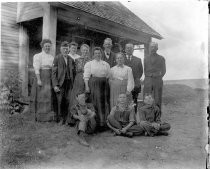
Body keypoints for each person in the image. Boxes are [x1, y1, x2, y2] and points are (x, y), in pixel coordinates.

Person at [84, 47, 110, 129]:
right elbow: (86, 76)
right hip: (94, 84)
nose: (97, 55)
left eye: (99, 53)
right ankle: (96, 124)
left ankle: (103, 124)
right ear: (93, 54)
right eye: (96, 53)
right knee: (96, 102)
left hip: (104, 84)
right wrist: (87, 86)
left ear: (101, 54)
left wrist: (105, 81)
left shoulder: (105, 64)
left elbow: (108, 75)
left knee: (104, 102)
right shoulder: (89, 64)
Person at [30, 39, 55, 122]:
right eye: (46, 46)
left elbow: (53, 69)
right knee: (40, 97)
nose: (47, 47)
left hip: (49, 77)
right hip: (41, 76)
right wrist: (38, 80)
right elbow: (36, 68)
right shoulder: (38, 56)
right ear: (42, 46)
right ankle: (39, 117)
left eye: (49, 46)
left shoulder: (52, 57)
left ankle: (47, 118)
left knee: (48, 97)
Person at [67, 44, 91, 124]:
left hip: (87, 80)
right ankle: (73, 119)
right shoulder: (77, 60)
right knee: (76, 97)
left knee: (85, 97)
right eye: (83, 50)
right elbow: (74, 72)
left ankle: (85, 119)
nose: (85, 51)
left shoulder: (91, 60)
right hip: (79, 79)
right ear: (81, 50)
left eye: (86, 50)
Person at [52, 41, 74, 124]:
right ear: (61, 49)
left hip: (69, 83)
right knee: (60, 101)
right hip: (60, 83)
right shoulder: (57, 58)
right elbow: (53, 73)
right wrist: (55, 85)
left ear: (68, 50)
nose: (65, 50)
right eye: (64, 49)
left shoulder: (71, 59)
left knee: (68, 100)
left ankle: (67, 118)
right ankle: (60, 118)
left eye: (66, 49)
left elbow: (73, 72)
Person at [144, 42, 166, 112]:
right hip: (148, 80)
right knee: (147, 98)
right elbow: (145, 70)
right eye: (151, 47)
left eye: (154, 47)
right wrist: (149, 76)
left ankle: (157, 117)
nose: (152, 48)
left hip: (158, 80)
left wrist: (157, 76)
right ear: (149, 48)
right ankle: (147, 116)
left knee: (157, 99)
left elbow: (164, 70)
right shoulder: (145, 58)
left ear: (157, 48)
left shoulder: (161, 58)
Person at [124, 43, 143, 111]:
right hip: (124, 84)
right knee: (124, 101)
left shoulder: (138, 60)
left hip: (135, 84)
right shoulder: (121, 59)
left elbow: (141, 72)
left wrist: (134, 80)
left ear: (133, 50)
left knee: (134, 101)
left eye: (131, 48)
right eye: (128, 48)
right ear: (125, 49)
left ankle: (134, 119)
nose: (129, 49)